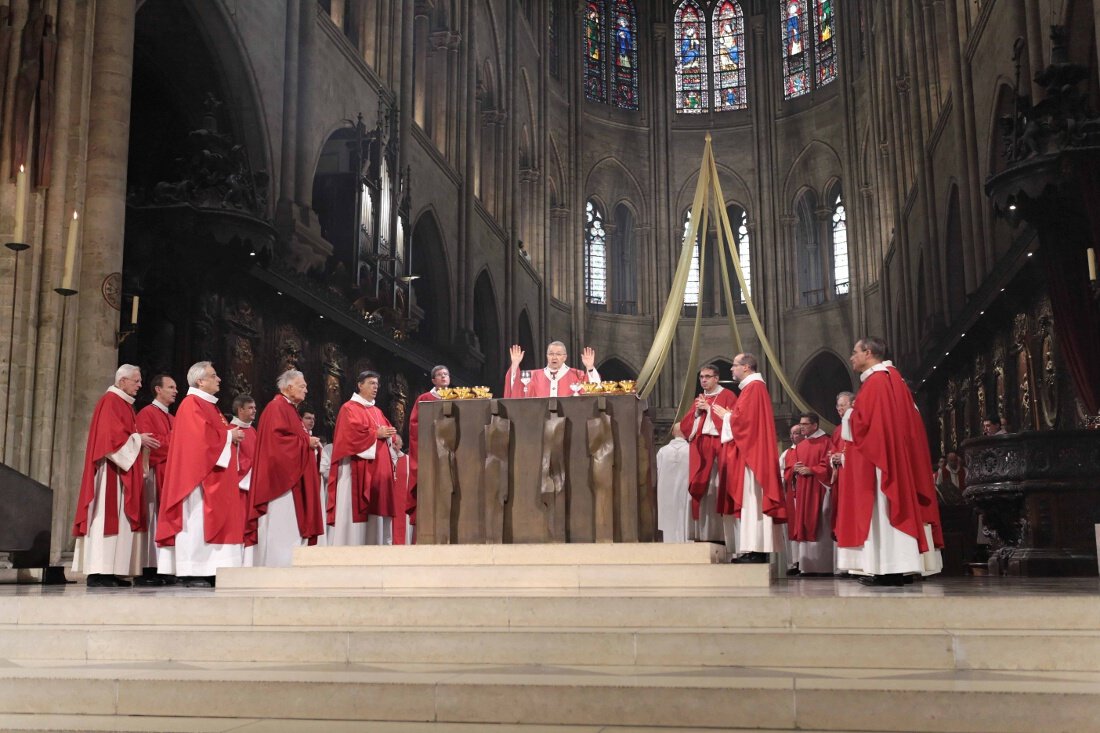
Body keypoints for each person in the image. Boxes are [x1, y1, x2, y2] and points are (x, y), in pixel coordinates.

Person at [836, 338, 943, 586]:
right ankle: (896, 568)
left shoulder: (877, 383)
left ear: (869, 353)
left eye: (855, 352)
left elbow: (868, 426)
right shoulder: (890, 378)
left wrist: (850, 415)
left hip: (882, 462)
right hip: (888, 457)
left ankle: (890, 569)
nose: (851, 357)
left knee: (885, 511)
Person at [155, 362, 245, 587]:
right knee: (195, 521)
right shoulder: (191, 404)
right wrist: (228, 437)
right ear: (200, 381)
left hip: (213, 474)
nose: (219, 380)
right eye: (213, 376)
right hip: (196, 480)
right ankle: (191, 570)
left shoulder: (209, 406)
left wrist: (228, 436)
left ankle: (210, 569)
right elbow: (199, 440)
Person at [72, 365, 160, 587]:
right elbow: (111, 439)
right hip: (110, 471)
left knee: (119, 521)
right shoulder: (111, 401)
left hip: (121, 469)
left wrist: (138, 440)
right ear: (122, 381)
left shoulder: (124, 404)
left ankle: (112, 572)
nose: (140, 385)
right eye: (136, 381)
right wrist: (139, 439)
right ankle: (98, 573)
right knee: (105, 518)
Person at [713, 353, 786, 564]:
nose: (731, 369)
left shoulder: (753, 388)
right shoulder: (752, 388)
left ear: (746, 367)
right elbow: (746, 419)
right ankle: (753, 548)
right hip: (752, 452)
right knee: (751, 500)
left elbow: (744, 423)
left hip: (753, 456)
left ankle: (757, 549)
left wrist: (725, 416)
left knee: (754, 499)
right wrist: (731, 416)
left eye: (734, 366)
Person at [247, 370, 325, 567]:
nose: (306, 390)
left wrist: (307, 442)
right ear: (289, 387)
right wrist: (306, 442)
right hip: (281, 483)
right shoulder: (277, 408)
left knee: (291, 526)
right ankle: (277, 566)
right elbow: (277, 442)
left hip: (292, 479)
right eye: (302, 386)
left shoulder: (289, 409)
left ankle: (288, 565)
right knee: (282, 526)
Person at [327, 371, 401, 546]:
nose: (375, 387)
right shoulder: (349, 408)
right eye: (371, 383)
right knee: (357, 518)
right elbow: (348, 436)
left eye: (377, 384)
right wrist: (376, 433)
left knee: (377, 516)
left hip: (378, 474)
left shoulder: (377, 411)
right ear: (360, 385)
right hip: (357, 470)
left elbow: (385, 431)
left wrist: (390, 435)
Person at [677, 364, 738, 547]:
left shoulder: (728, 396)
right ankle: (703, 533)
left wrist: (710, 410)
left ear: (716, 378)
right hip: (701, 449)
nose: (703, 380)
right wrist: (697, 412)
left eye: (707, 376)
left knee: (718, 488)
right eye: (701, 377)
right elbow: (686, 428)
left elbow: (734, 423)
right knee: (702, 488)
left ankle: (721, 534)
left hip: (719, 448)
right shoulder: (699, 398)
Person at [132, 373, 177, 585]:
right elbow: (150, 443)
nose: (175, 391)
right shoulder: (146, 413)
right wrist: (175, 441)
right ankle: (148, 568)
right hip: (153, 473)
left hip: (170, 475)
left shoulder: (172, 417)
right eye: (170, 387)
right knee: (152, 520)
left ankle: (164, 567)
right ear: (158, 389)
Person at [785, 412, 834, 575]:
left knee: (821, 523)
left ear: (815, 425)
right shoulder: (800, 446)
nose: (801, 427)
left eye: (805, 424)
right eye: (800, 424)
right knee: (804, 522)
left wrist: (811, 470)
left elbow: (828, 465)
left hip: (819, 489)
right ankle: (807, 566)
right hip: (803, 489)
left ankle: (824, 567)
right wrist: (796, 469)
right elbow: (791, 466)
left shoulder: (826, 441)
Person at [407, 365, 450, 529]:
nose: (444, 377)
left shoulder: (458, 398)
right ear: (433, 380)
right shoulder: (425, 399)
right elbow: (414, 425)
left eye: (446, 374)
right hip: (431, 451)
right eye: (440, 375)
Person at [502, 341, 600, 398]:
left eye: (558, 354)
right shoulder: (533, 376)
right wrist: (515, 365)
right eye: (551, 354)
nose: (554, 357)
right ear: (547, 356)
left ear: (565, 357)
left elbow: (594, 390)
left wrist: (590, 367)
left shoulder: (577, 375)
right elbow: (517, 389)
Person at [230, 393, 258, 566]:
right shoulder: (231, 430)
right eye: (250, 408)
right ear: (240, 409)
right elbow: (233, 460)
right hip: (238, 487)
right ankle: (236, 563)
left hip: (252, 486)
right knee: (239, 525)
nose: (254, 411)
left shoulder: (253, 430)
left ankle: (249, 562)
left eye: (255, 407)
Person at [656, 423, 691, 543]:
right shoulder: (691, 450)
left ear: (672, 433)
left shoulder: (662, 451)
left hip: (667, 492)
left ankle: (669, 544)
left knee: (669, 518)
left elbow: (657, 470)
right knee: (685, 517)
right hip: (685, 490)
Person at [299, 404, 327, 546]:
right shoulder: (299, 437)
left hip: (315, 481)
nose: (311, 421)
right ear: (300, 419)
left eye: (313, 419)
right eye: (308, 418)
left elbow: (325, 466)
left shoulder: (314, 440)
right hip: (302, 482)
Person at [779, 424, 803, 572]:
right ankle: (794, 562)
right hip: (791, 494)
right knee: (792, 528)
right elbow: (779, 473)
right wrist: (790, 471)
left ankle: (807, 562)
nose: (795, 436)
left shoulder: (808, 449)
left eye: (798, 432)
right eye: (793, 433)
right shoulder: (786, 454)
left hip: (806, 494)